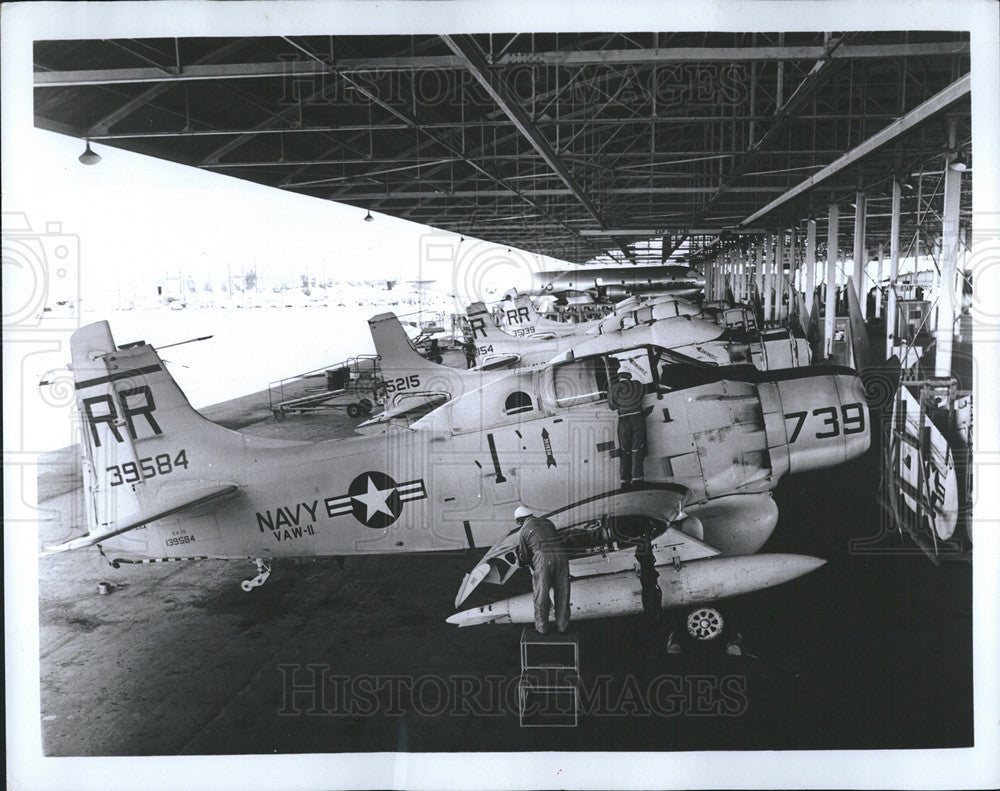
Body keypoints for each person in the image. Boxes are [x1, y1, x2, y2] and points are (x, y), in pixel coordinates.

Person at [514, 505, 570, 635]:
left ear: (519, 520)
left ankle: (542, 628)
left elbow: (524, 555)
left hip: (543, 559)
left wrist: (521, 562)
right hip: (562, 557)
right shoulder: (548, 522)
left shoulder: (523, 530)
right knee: (563, 592)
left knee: (541, 595)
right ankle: (563, 626)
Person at [607, 370, 647, 488]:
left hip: (623, 420)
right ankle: (637, 478)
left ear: (619, 376)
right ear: (629, 376)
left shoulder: (612, 389)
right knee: (637, 448)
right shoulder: (638, 384)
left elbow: (612, 406)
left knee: (624, 450)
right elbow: (642, 395)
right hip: (637, 418)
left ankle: (624, 480)